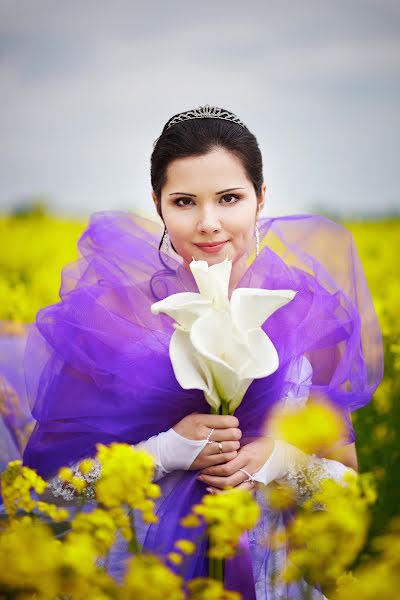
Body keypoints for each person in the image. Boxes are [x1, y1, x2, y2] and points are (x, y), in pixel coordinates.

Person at [22, 105, 384, 599]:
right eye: (185, 201)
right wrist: (159, 453)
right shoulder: (110, 319)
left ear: (260, 199)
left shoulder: (304, 316)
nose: (209, 223)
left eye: (230, 198)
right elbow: (41, 501)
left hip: (266, 574)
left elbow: (348, 489)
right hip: (136, 574)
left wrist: (279, 461)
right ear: (159, 205)